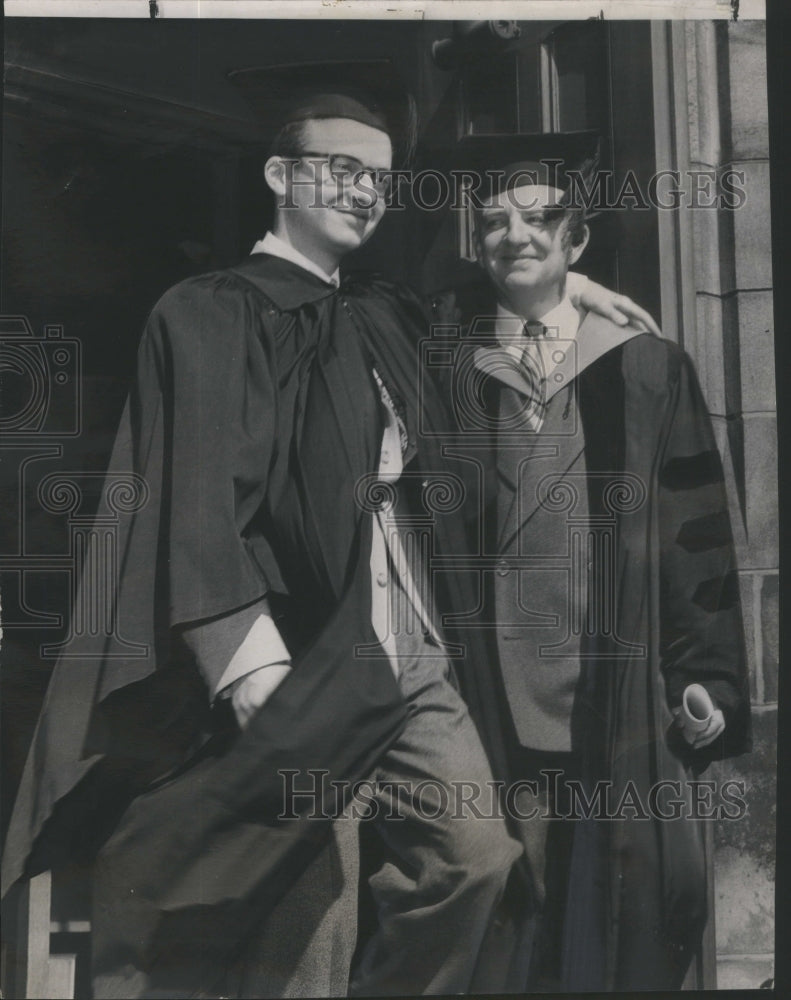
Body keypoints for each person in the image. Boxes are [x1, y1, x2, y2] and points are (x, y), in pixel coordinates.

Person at [2, 67, 664, 998]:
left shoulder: (383, 313)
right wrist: (244, 662)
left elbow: (481, 321)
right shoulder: (211, 309)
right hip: (301, 646)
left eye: (379, 181)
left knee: (472, 856)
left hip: (410, 648)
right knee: (317, 896)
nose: (364, 192)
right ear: (280, 176)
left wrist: (568, 285)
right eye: (342, 170)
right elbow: (194, 498)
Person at [440, 130, 753, 992]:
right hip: (490, 701)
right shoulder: (442, 365)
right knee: (511, 933)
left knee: (620, 931)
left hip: (611, 702)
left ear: (575, 237)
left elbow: (697, 542)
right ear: (472, 239)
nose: (516, 236)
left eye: (542, 220)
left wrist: (709, 680)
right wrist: (569, 287)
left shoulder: (647, 369)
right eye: (494, 221)